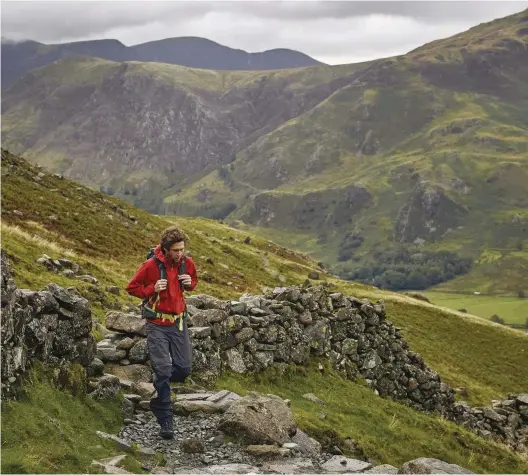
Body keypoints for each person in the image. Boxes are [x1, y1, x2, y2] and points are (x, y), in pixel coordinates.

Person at [125, 225, 198, 439]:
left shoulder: (187, 263)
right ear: (165, 249)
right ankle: (165, 418)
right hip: (156, 323)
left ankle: (159, 389)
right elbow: (131, 287)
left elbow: (193, 281)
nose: (180, 254)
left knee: (183, 369)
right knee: (164, 370)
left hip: (178, 323)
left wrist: (190, 283)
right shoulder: (150, 265)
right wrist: (151, 289)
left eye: (182, 249)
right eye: (176, 250)